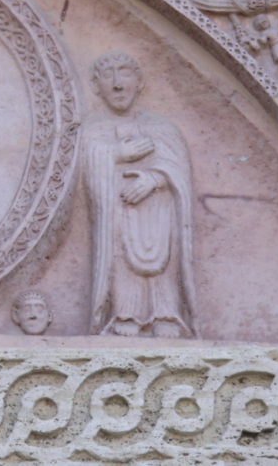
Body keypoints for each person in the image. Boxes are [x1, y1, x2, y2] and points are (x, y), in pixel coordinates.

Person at [83, 51, 196, 338]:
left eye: (125, 73)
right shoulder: (94, 129)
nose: (118, 84)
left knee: (163, 258)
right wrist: (117, 154)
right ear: (96, 86)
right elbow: (86, 167)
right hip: (119, 212)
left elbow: (178, 168)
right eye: (108, 76)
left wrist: (155, 180)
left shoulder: (161, 126)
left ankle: (166, 313)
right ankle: (125, 313)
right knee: (120, 254)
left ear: (140, 81)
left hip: (158, 214)